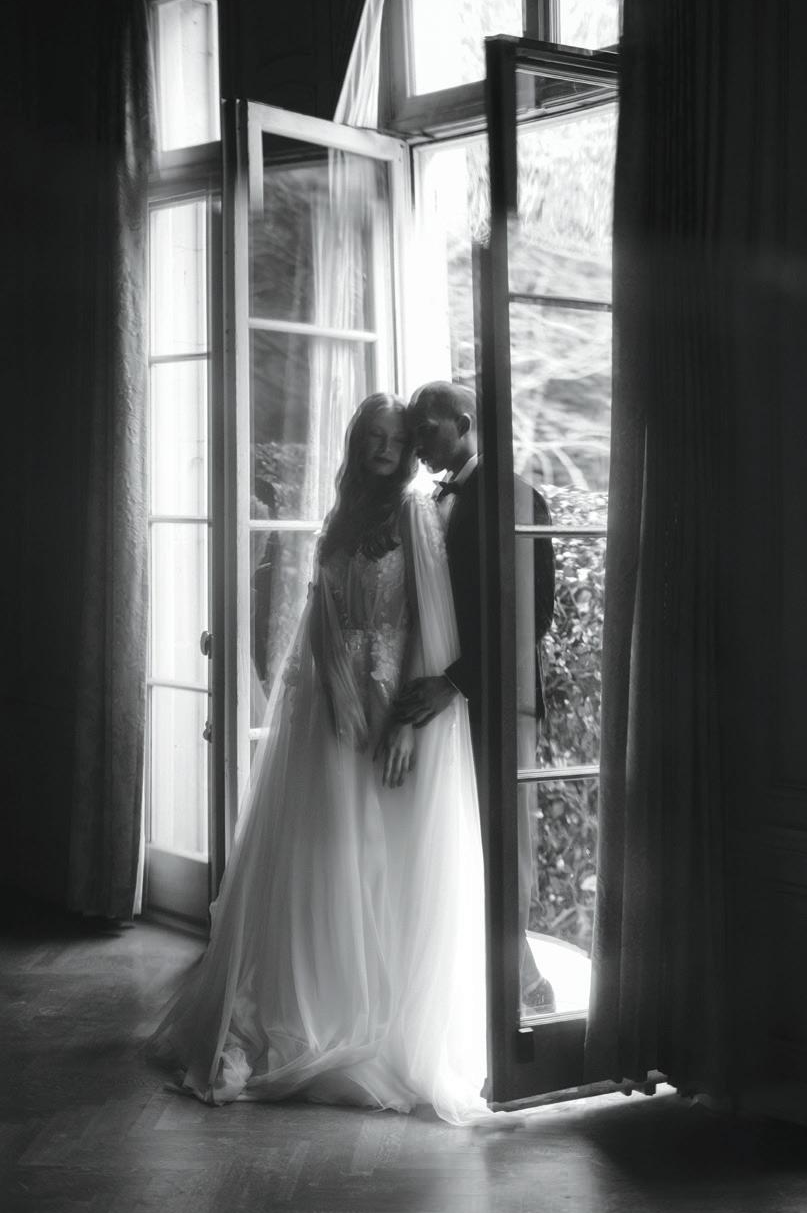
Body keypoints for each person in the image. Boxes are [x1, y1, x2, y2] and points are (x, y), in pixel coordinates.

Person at [150, 393, 487, 1125]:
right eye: (370, 435)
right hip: (330, 706)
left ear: (407, 448)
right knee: (323, 857)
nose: (382, 447)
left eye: (393, 437)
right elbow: (319, 617)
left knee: (378, 858)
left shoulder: (415, 514)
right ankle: (309, 1005)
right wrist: (329, 688)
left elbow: (430, 628)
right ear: (356, 442)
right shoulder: (340, 518)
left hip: (392, 706)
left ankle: (376, 1013)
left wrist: (407, 723)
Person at [394, 381, 556, 1015]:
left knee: (501, 840)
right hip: (446, 698)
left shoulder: (518, 496)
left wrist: (453, 682)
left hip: (497, 700)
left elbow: (530, 617)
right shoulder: (431, 500)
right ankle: (470, 980)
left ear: (463, 424)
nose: (416, 444)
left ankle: (520, 982)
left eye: (426, 429)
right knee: (455, 836)